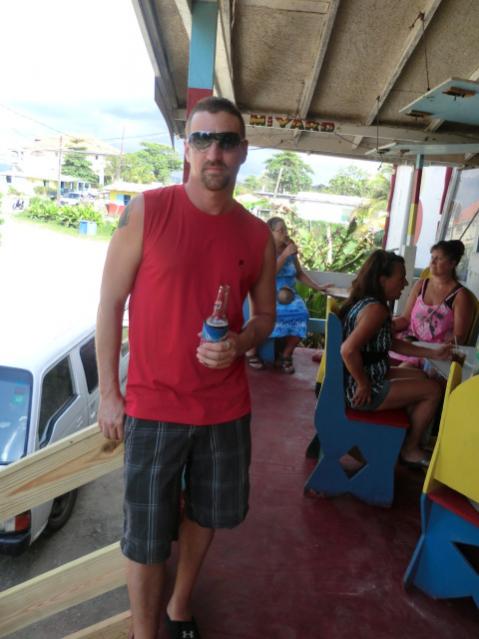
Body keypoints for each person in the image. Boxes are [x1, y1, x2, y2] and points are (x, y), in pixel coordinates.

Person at [96, 97, 276, 639]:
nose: (213, 151)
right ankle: (143, 633)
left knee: (206, 514)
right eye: (202, 139)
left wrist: (240, 341)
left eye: (226, 141)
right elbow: (109, 305)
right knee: (146, 535)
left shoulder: (257, 235)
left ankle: (180, 606)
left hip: (225, 409)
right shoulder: (147, 211)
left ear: (242, 151)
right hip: (153, 406)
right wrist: (109, 393)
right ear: (186, 148)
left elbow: (265, 316)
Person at [339, 250, 453, 468]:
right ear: (383, 280)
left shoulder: (367, 302)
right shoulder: (376, 310)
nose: (405, 283)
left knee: (421, 376)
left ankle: (402, 438)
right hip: (360, 388)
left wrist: (432, 353)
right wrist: (363, 384)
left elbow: (389, 343)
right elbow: (348, 350)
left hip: (364, 377)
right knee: (433, 390)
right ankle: (409, 448)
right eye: (401, 278)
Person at [246, 216, 329, 374]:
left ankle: (286, 355)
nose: (285, 233)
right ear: (270, 232)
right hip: (268, 292)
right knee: (267, 315)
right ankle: (252, 352)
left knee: (302, 314)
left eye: (286, 230)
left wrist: (318, 287)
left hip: (289, 294)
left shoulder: (289, 250)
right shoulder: (265, 249)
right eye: (281, 230)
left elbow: (299, 273)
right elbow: (268, 274)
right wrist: (284, 255)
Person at [390, 239, 474, 366]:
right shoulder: (421, 285)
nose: (432, 262)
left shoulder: (461, 296)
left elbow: (459, 338)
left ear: (452, 263)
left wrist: (435, 351)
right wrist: (382, 327)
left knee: (400, 369)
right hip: (408, 342)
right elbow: (405, 319)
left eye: (439, 259)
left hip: (432, 354)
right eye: (432, 257)